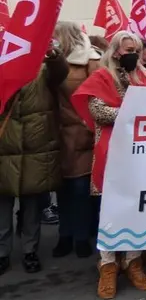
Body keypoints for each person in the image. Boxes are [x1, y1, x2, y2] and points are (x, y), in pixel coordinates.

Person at [71, 30, 146, 299]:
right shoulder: (102, 76)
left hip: (142, 153)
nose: (133, 55)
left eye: (136, 50)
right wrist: (133, 107)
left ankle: (133, 260)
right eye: (128, 50)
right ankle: (108, 264)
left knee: (138, 207)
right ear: (115, 51)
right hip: (112, 150)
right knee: (111, 209)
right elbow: (99, 112)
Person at [0, 40, 68, 276]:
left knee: (31, 206)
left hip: (36, 148)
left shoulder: (41, 69)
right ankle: (2, 253)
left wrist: (53, 54)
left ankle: (30, 251)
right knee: (2, 206)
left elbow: (60, 73)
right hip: (4, 148)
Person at [52, 22, 102, 259]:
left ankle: (81, 237)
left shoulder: (91, 59)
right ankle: (65, 235)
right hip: (55, 132)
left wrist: (88, 123)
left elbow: (99, 95)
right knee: (62, 189)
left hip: (82, 133)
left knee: (80, 188)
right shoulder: (50, 60)